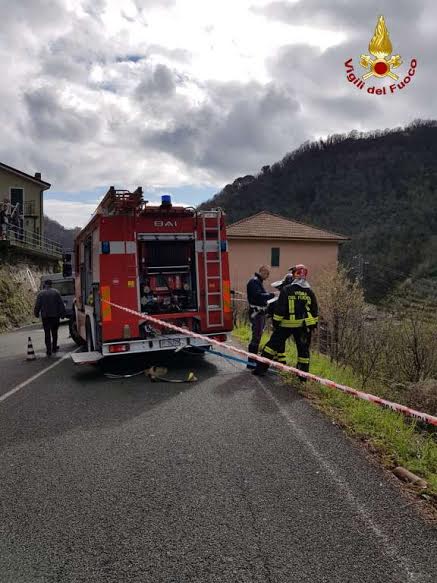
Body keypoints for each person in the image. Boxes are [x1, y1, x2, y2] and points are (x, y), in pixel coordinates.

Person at [253, 264, 318, 379]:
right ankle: (302, 378)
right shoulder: (310, 292)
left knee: (271, 346)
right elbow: (314, 310)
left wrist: (276, 323)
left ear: (295, 275)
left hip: (285, 325)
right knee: (303, 352)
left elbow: (280, 309)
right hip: (303, 327)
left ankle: (260, 370)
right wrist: (312, 326)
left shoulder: (287, 290)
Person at [246, 265, 275, 368]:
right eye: (267, 273)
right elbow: (258, 297)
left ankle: (253, 361)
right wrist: (271, 295)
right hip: (256, 313)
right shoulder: (254, 282)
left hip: (259, 313)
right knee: (256, 337)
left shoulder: (258, 282)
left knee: (257, 336)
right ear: (262, 271)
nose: (268, 276)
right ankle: (251, 362)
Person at [34, 279, 66, 356]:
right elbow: (61, 304)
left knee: (47, 333)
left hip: (45, 317)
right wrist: (62, 314)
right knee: (54, 333)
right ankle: (54, 348)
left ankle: (48, 350)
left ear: (45, 284)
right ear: (51, 284)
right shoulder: (56, 292)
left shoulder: (41, 294)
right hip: (55, 316)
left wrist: (36, 313)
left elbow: (38, 305)